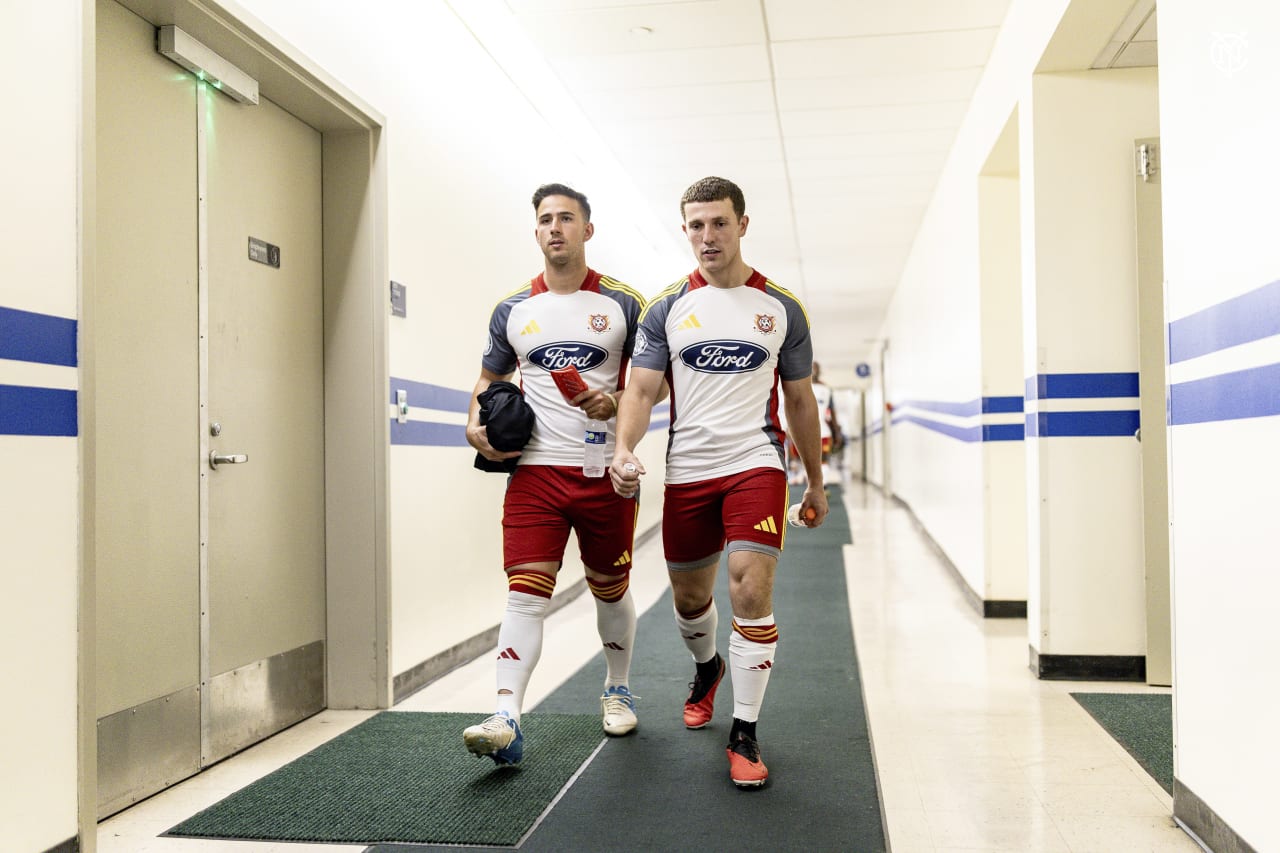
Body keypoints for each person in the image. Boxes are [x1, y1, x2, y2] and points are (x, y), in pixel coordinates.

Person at [609, 176, 829, 788]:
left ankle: (745, 733)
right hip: (688, 471)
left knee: (750, 591)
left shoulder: (780, 309)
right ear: (686, 230)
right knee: (689, 601)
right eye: (696, 226)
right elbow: (643, 388)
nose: (707, 237)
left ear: (742, 224)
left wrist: (814, 481)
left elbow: (800, 402)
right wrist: (624, 448)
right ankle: (707, 668)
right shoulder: (667, 308)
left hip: (756, 464)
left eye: (719, 223)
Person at [462, 183, 647, 766]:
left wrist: (613, 404)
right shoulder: (514, 309)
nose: (555, 228)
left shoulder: (624, 304)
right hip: (536, 475)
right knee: (525, 595)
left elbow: (650, 386)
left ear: (587, 231)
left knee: (609, 589)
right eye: (545, 219)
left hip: (603, 474)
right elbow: (489, 384)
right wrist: (474, 426)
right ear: (536, 230)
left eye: (567, 218)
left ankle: (617, 687)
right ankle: (506, 716)